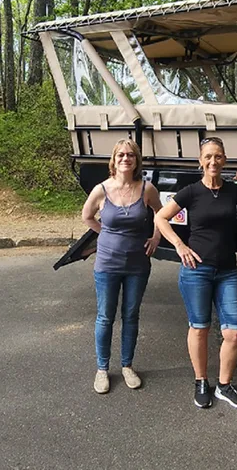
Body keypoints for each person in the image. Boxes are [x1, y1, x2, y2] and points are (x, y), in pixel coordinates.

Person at [154, 137, 237, 410]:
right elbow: (160, 217)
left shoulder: (231, 191)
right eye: (208, 157)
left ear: (224, 160)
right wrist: (180, 245)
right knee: (200, 327)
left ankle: (225, 386)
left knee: (235, 333)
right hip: (196, 270)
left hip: (227, 271)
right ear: (200, 161)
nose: (213, 161)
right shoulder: (191, 192)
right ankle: (201, 381)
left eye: (218, 156)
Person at [81, 139, 163, 394]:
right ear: (113, 160)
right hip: (107, 264)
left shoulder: (147, 189)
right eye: (120, 155)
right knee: (105, 316)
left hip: (138, 264)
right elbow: (86, 216)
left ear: (137, 160)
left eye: (130, 155)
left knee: (131, 315)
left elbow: (161, 214)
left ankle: (127, 365)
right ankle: (102, 369)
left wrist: (156, 237)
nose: (125, 158)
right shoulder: (101, 190)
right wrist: (104, 233)